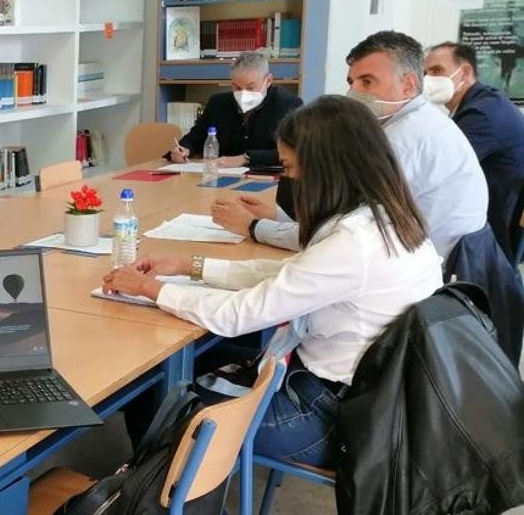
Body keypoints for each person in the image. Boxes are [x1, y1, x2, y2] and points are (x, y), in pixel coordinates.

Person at [103, 96, 442, 468]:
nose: (288, 180)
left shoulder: (353, 243)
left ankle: (165, 497)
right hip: (370, 399)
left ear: (326, 168)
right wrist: (190, 265)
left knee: (152, 399)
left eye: (291, 168)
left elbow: (242, 314)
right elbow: (292, 277)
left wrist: (150, 288)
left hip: (329, 416)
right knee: (204, 361)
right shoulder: (384, 218)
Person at [213, 31, 488, 257]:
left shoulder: (401, 140)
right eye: (351, 82)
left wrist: (253, 227)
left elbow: (341, 237)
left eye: (367, 82)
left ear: (407, 85)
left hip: (427, 279)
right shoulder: (416, 121)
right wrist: (279, 217)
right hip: (436, 259)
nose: (354, 93)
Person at [423, 41, 524, 255]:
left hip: (497, 221)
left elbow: (442, 168)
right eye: (426, 73)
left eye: (437, 70)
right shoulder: (478, 103)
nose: (429, 80)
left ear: (465, 71)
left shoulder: (483, 113)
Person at [166, 52, 302, 168]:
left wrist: (245, 158)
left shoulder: (289, 105)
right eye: (237, 87)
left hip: (267, 181)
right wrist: (184, 149)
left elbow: (294, 152)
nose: (243, 94)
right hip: (220, 178)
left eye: (250, 88)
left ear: (269, 81)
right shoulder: (218, 103)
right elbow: (195, 138)